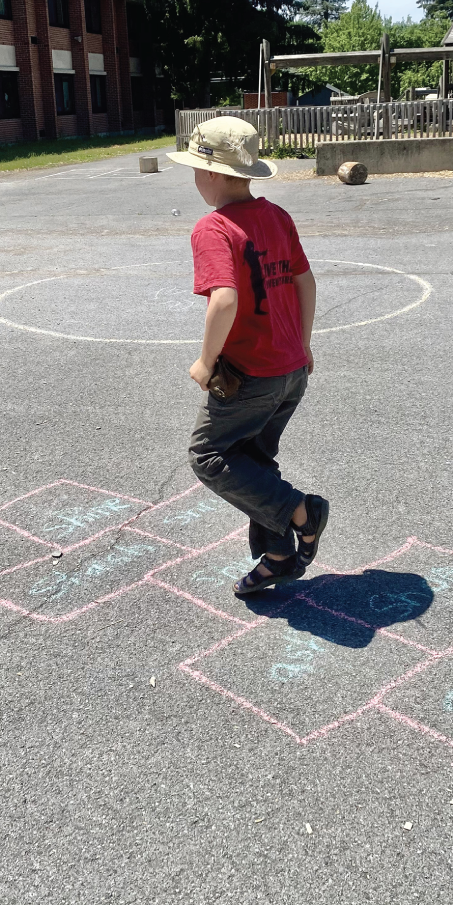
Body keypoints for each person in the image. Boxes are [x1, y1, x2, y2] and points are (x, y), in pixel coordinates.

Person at [167, 116, 329, 596]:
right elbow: (305, 281)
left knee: (209, 455)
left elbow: (225, 299)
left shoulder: (214, 228)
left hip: (252, 374)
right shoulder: (276, 216)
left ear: (213, 174)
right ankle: (279, 555)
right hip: (291, 369)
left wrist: (205, 359)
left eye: (196, 168)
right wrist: (304, 343)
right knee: (255, 460)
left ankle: (302, 511)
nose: (194, 178)